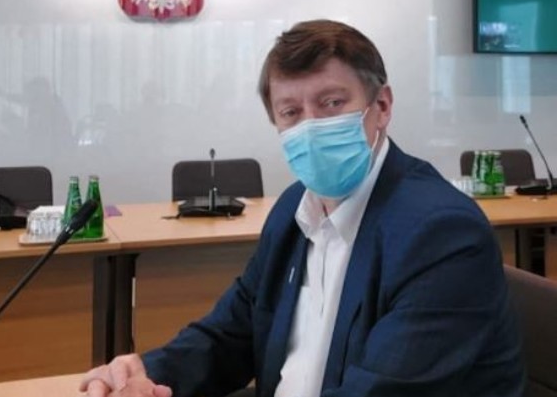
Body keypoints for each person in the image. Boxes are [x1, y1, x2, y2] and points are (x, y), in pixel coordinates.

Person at [80, 20, 525, 397]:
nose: (310, 126)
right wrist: (146, 374)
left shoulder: (442, 233)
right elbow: (232, 333)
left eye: (331, 103)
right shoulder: (295, 208)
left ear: (382, 106)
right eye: (290, 112)